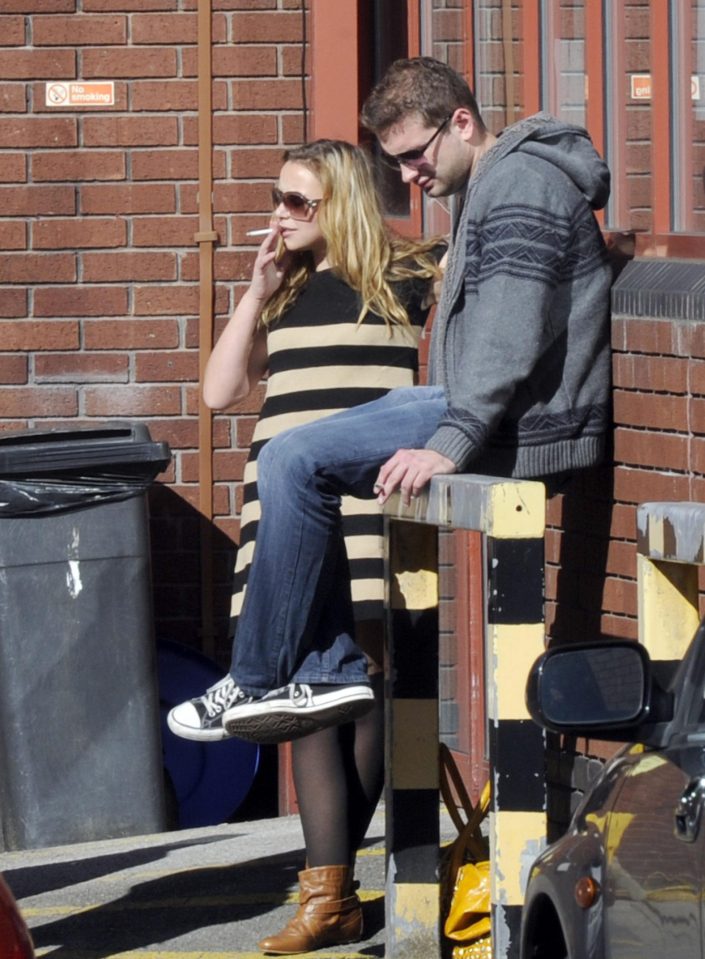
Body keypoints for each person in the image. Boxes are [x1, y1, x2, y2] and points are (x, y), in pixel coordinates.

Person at [170, 56, 612, 746]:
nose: (408, 177)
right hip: (465, 401)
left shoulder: (521, 185)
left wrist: (449, 443)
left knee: (296, 458)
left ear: (461, 122)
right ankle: (325, 671)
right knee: (289, 455)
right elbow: (219, 390)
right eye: (397, 162)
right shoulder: (488, 185)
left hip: (506, 421)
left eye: (414, 155)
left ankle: (256, 680)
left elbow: (508, 335)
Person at [169, 137, 443, 954]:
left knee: (359, 688)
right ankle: (329, 889)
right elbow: (219, 393)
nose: (278, 216)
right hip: (281, 512)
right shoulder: (283, 288)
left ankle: (330, 885)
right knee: (299, 694)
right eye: (277, 198)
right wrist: (252, 295)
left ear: (342, 205)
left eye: (297, 202)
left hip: (365, 504)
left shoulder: (411, 275)